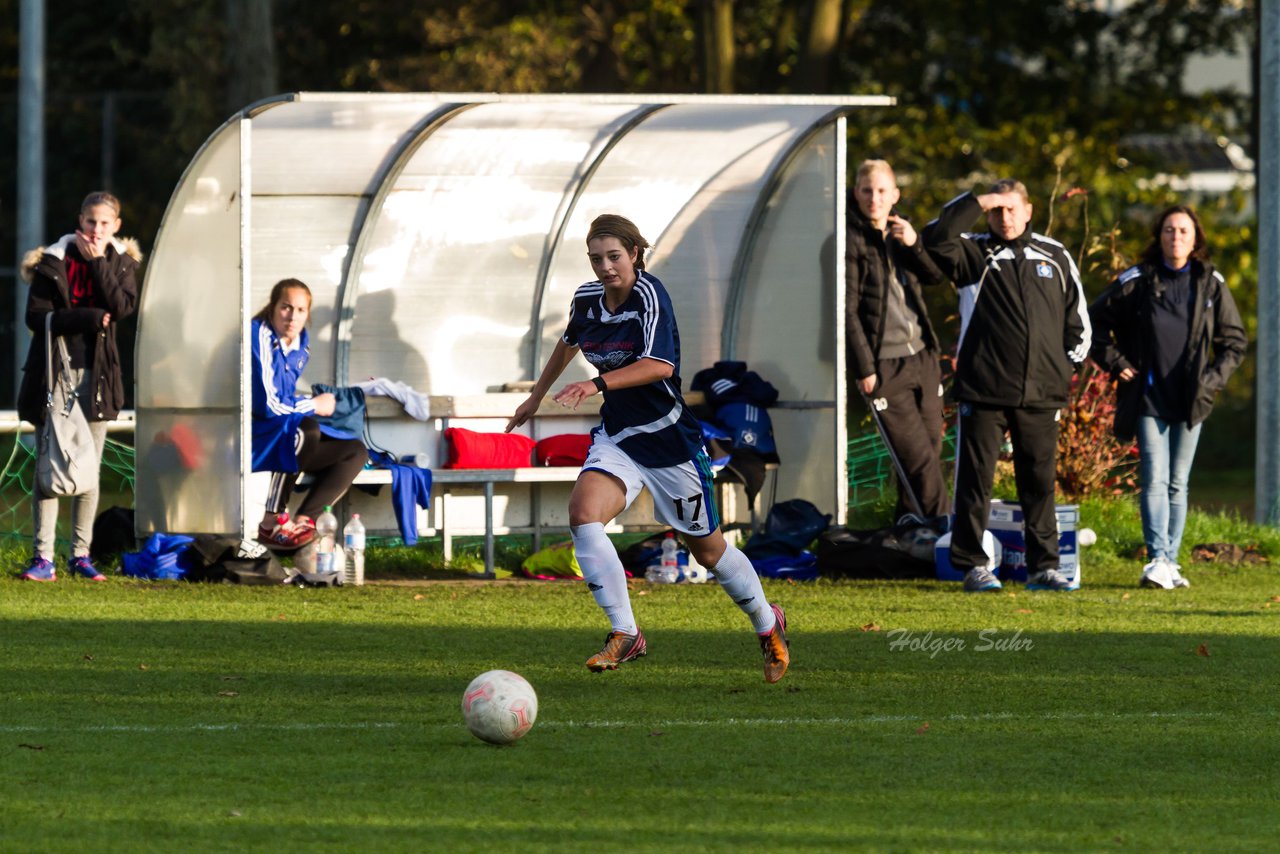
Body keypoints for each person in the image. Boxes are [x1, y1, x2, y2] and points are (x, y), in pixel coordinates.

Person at [506, 214, 790, 682]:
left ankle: (767, 623)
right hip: (619, 436)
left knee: (710, 554)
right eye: (596, 258)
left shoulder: (650, 296)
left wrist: (596, 383)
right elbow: (567, 342)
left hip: (668, 440)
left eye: (614, 256)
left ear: (635, 253)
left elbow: (660, 366)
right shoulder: (586, 299)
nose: (605, 267)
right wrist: (536, 396)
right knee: (583, 514)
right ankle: (626, 633)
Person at [923, 180, 1091, 593]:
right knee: (974, 481)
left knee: (1039, 482)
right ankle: (973, 566)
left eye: (1012, 208)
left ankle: (1044, 568)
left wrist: (1063, 369)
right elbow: (935, 236)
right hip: (983, 390)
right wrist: (979, 200)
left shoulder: (1055, 254)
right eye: (997, 210)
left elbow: (1079, 321)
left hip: (1042, 393)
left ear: (1029, 210)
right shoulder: (972, 251)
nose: (1005, 217)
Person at [1089, 205, 1246, 589]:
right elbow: (1093, 321)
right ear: (1159, 236)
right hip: (1148, 396)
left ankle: (1172, 563)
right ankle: (1157, 557)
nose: (1176, 237)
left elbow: (1234, 343)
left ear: (1196, 240)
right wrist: (1114, 361)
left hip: (1192, 399)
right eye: (1169, 231)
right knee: (1154, 479)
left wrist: (1211, 381)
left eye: (1183, 232)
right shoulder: (1138, 279)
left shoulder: (1211, 283)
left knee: (1179, 482)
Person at [17, 192, 140, 582]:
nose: (96, 230)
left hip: (99, 377)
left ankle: (80, 556)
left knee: (89, 467)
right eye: (90, 222)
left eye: (105, 223)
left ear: (116, 226)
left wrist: (98, 262)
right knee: (48, 466)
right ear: (79, 221)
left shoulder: (121, 263)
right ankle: (43, 558)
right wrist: (87, 317)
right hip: (54, 375)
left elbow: (120, 309)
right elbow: (36, 318)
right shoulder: (52, 261)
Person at [845, 159, 950, 522]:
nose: (874, 198)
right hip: (883, 364)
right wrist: (865, 367)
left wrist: (915, 243)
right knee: (915, 456)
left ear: (895, 195)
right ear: (856, 193)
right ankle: (946, 530)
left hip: (922, 355)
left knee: (930, 450)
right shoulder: (849, 236)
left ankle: (911, 526)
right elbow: (847, 311)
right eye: (866, 190)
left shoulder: (899, 230)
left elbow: (935, 277)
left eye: (881, 191)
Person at [251, 278, 366, 550]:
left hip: (280, 435)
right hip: (251, 435)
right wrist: (313, 404)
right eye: (286, 307)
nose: (292, 316)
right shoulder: (258, 335)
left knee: (355, 451)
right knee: (305, 430)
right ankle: (270, 523)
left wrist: (309, 404)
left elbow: (285, 399)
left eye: (300, 310)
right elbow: (268, 406)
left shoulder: (302, 343)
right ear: (272, 307)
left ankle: (305, 523)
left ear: (308, 314)